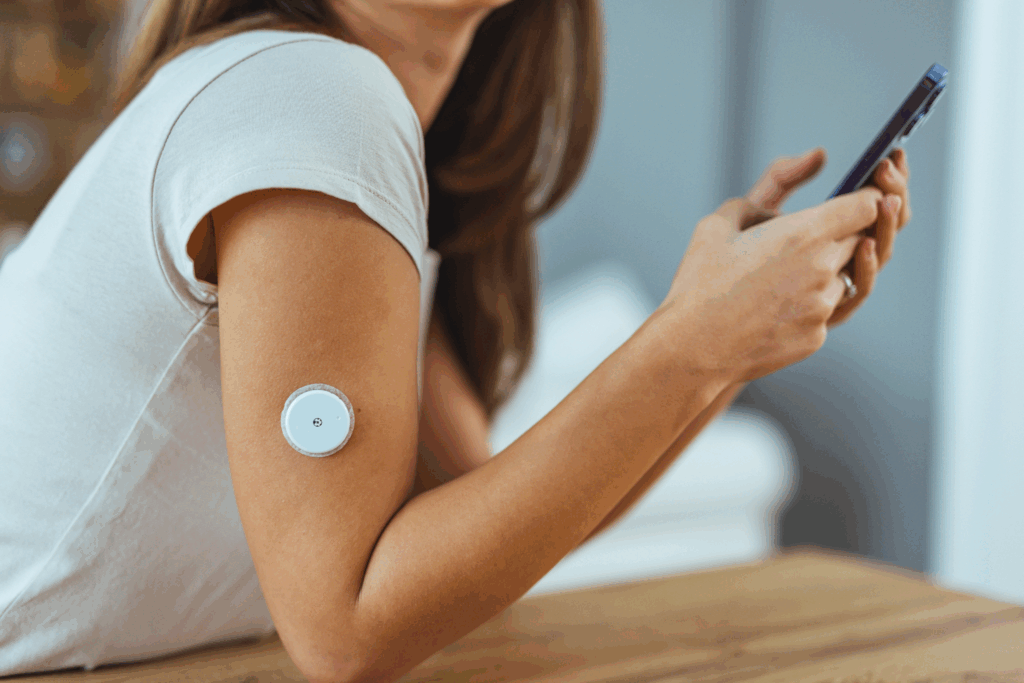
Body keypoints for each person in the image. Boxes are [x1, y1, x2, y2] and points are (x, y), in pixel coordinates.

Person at [0, 0, 912, 679]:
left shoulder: (378, 141)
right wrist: (693, 342)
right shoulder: (310, 96)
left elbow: (487, 530)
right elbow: (349, 625)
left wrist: (731, 342)